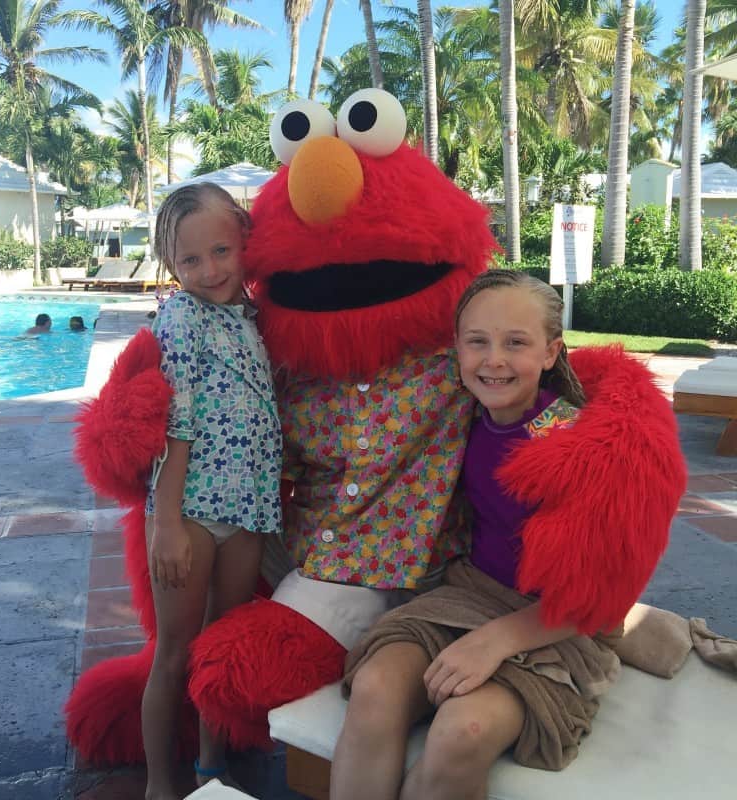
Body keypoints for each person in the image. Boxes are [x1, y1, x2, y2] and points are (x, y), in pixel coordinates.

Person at [331, 270, 622, 800]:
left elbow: (602, 601)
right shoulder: (457, 416)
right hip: (467, 594)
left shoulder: (575, 446)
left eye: (516, 343)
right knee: (375, 688)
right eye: (478, 342)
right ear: (457, 348)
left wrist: (494, 641)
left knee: (460, 731)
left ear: (551, 352)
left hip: (553, 626)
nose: (494, 360)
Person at [142, 182, 282, 800]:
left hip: (246, 509)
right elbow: (177, 422)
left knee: (220, 647)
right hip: (193, 510)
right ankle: (158, 784)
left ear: (244, 241)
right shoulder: (182, 316)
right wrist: (168, 523)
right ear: (171, 265)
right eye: (190, 260)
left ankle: (210, 766)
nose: (210, 271)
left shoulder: (251, 317)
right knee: (175, 650)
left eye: (221, 251)